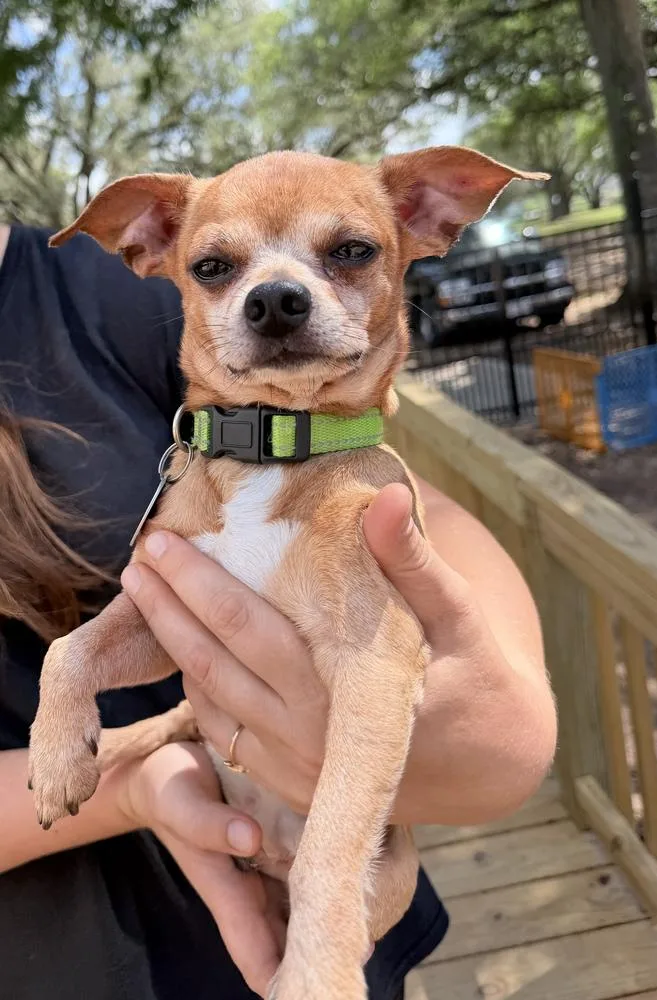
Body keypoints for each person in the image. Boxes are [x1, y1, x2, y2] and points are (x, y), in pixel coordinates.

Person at [0, 221, 557, 1000]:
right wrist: (120, 754)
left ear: (427, 221)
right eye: (219, 269)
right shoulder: (192, 451)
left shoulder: (91, 297)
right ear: (157, 252)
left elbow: (434, 540)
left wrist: (505, 713)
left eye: (348, 253)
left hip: (352, 887)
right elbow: (156, 631)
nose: (275, 297)